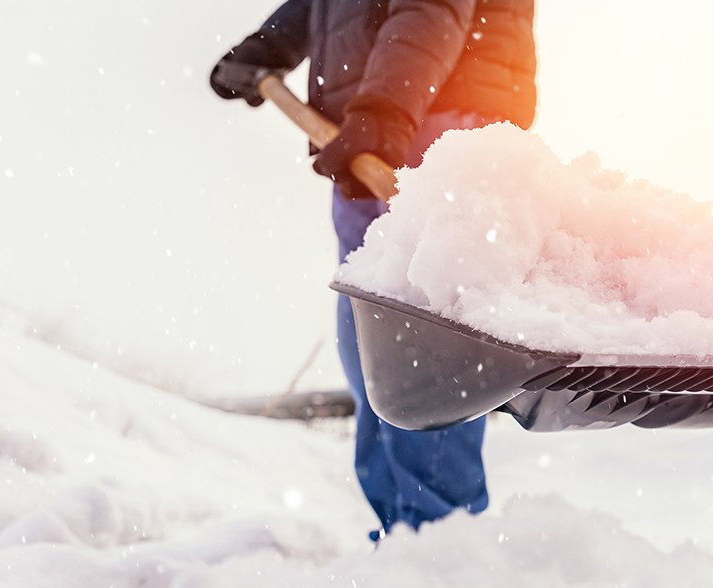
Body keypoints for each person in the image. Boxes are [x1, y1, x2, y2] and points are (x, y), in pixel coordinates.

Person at [209, 0, 536, 540]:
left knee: (420, 353)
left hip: (437, 126)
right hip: (364, 137)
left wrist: (385, 112)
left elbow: (430, 10)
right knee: (369, 353)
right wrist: (269, 47)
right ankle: (404, 543)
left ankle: (442, 545)